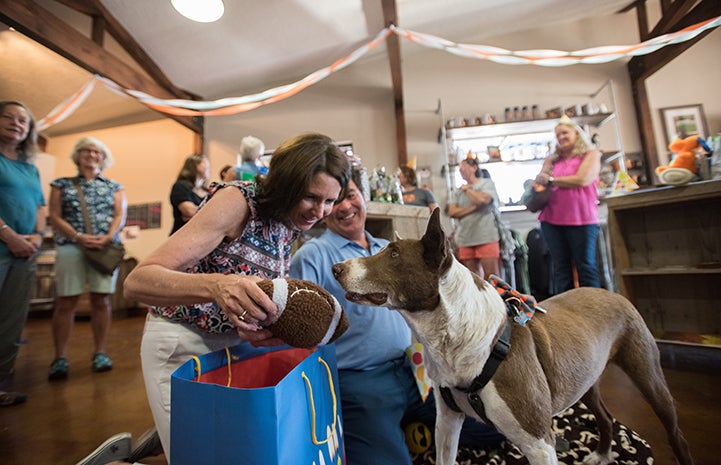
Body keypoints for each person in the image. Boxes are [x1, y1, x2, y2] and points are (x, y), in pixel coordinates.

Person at [115, 132, 350, 460]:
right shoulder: (237, 202)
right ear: (286, 184)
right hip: (182, 344)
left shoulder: (290, 222)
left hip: (232, 350)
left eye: (329, 201)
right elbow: (137, 282)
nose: (320, 211)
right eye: (311, 197)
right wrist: (217, 286)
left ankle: (164, 435)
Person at [290, 170, 503, 465]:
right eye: (333, 201)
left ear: (364, 198)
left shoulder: (385, 248)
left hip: (416, 370)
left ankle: (407, 429)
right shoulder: (312, 256)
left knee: (496, 432)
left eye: (350, 195)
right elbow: (300, 334)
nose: (345, 206)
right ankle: (393, 435)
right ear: (325, 209)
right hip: (362, 381)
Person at [47, 136, 127, 381]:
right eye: (86, 151)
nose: (91, 155)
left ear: (103, 158)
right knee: (66, 301)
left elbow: (119, 214)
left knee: (101, 300)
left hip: (104, 248)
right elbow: (54, 215)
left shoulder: (115, 187)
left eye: (96, 152)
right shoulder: (61, 184)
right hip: (71, 247)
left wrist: (107, 237)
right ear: (77, 155)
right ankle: (60, 357)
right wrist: (78, 236)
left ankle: (100, 353)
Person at [0, 101, 46, 407]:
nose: (17, 123)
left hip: (26, 253)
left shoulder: (30, 168)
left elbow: (41, 206)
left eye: (23, 121)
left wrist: (37, 236)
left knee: (12, 320)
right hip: (4, 245)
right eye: (9, 117)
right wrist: (8, 235)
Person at [533, 117, 602, 294]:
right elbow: (541, 181)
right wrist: (543, 179)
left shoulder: (591, 154)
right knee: (560, 269)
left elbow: (583, 179)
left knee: (586, 266)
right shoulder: (552, 159)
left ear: (576, 133)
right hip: (552, 219)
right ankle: (567, 311)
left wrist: (552, 179)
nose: (561, 137)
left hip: (582, 219)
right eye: (558, 135)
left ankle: (593, 308)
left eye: (565, 133)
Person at [447, 157, 501, 279]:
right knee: (473, 279)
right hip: (465, 238)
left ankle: (497, 299)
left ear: (474, 167)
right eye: (459, 168)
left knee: (492, 278)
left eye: (463, 167)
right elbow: (452, 212)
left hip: (486, 237)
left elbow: (483, 200)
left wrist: (468, 190)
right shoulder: (457, 191)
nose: (461, 170)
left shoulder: (486, 183)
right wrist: (474, 208)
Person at [169, 154, 210, 235]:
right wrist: (209, 212)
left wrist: (197, 213)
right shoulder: (180, 186)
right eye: (206, 164)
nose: (208, 168)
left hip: (203, 235)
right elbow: (189, 211)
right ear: (195, 165)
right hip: (183, 235)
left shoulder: (207, 191)